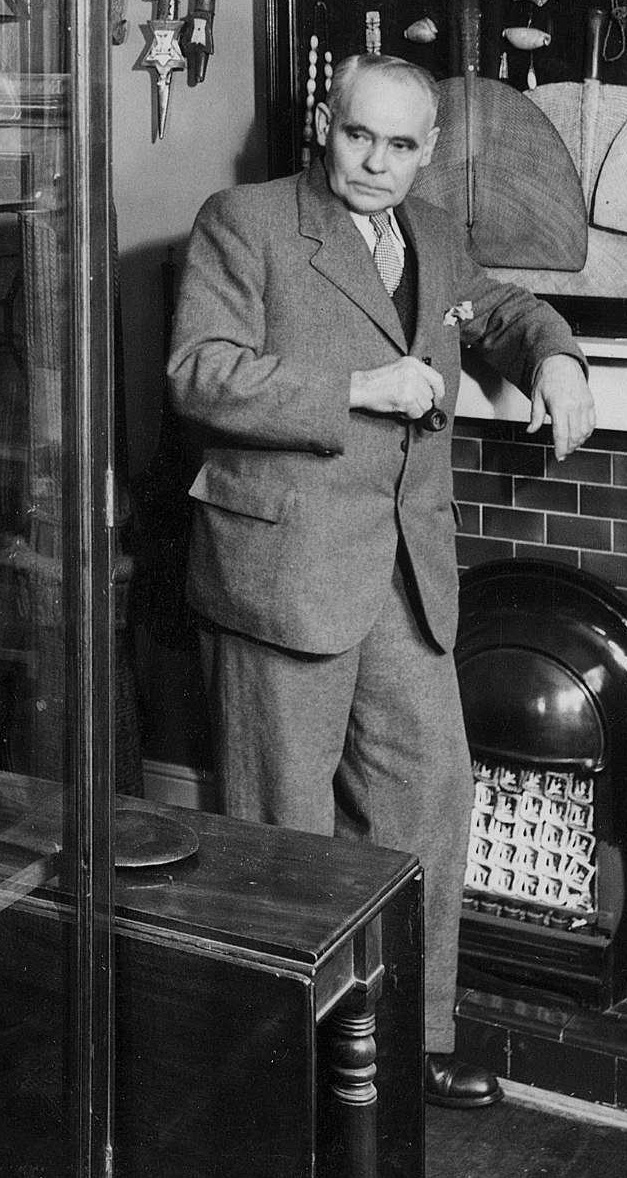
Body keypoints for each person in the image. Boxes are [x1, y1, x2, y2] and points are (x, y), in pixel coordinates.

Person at [166, 54, 595, 1110]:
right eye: (360, 136)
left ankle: (409, 1036)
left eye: (402, 146)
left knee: (430, 796)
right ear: (325, 121)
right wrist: (358, 386)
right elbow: (198, 371)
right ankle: (284, 1062)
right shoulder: (247, 220)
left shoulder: (438, 236)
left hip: (405, 572)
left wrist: (557, 359)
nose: (377, 162)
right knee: (284, 830)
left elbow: (500, 311)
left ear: (427, 152)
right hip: (283, 570)